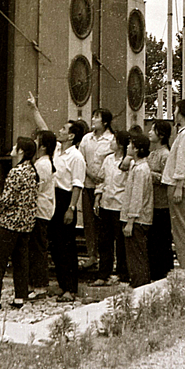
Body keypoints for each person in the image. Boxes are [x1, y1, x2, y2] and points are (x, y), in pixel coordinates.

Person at [27, 93, 86, 303]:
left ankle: (70, 288)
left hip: (65, 199)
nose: (59, 131)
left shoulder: (76, 157)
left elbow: (77, 185)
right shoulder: (58, 149)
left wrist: (71, 208)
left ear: (71, 136)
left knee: (66, 247)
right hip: (54, 197)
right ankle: (62, 286)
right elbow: (44, 130)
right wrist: (34, 109)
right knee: (55, 246)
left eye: (63, 129)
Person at [0, 137, 38, 311]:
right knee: (21, 260)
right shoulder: (31, 170)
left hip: (11, 222)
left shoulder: (16, 172)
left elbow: (7, 199)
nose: (13, 147)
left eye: (16, 146)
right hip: (26, 222)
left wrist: (0, 211)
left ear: (21, 151)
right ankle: (20, 297)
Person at [161, 99, 185, 271]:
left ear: (182, 113)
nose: (174, 113)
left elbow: (184, 162)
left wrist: (178, 186)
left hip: (181, 186)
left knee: (181, 229)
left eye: (176, 110)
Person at [92, 130, 131, 286]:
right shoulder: (108, 159)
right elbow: (101, 180)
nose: (111, 142)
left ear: (121, 144)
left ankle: (122, 273)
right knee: (104, 241)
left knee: (121, 243)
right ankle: (103, 273)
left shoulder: (128, 162)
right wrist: (97, 198)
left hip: (120, 205)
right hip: (106, 204)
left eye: (114, 140)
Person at [78, 109, 114, 270]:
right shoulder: (87, 139)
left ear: (105, 122)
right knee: (89, 222)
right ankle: (92, 255)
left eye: (97, 117)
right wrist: (90, 174)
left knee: (104, 224)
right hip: (88, 184)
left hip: (105, 186)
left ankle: (107, 257)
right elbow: (81, 159)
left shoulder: (111, 139)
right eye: (93, 116)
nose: (93, 119)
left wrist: (100, 176)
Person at [121, 133, 153, 288]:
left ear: (137, 149)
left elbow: (137, 196)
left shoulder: (141, 170)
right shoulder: (136, 166)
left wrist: (130, 221)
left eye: (130, 145)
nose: (127, 147)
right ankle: (137, 281)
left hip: (138, 219)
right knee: (134, 253)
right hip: (136, 218)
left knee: (136, 253)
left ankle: (139, 283)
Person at [27, 130, 56, 300]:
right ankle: (35, 284)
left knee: (38, 248)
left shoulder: (43, 165)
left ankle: (40, 286)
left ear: (43, 146)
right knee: (36, 247)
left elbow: (37, 187)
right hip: (40, 208)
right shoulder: (42, 162)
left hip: (40, 209)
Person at [147, 119, 174, 280]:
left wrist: (148, 174)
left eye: (153, 130)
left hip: (162, 203)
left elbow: (166, 177)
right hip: (152, 202)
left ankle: (163, 271)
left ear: (161, 135)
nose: (149, 132)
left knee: (161, 238)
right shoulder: (152, 153)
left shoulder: (165, 154)